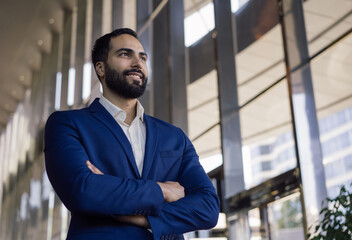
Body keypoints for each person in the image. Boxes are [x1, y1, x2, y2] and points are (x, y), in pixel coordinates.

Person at [44, 28, 220, 240]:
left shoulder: (174, 137)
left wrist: (141, 219)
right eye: (125, 54)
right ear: (100, 68)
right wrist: (161, 190)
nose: (138, 63)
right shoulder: (67, 124)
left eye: (142, 57)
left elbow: (208, 208)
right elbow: (83, 191)